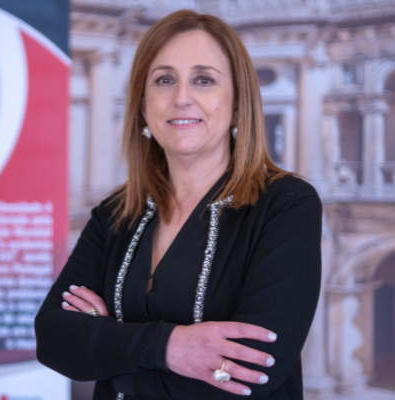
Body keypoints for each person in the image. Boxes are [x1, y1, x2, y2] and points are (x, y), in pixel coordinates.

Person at [35, 9, 321, 400]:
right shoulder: (115, 213)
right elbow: (54, 339)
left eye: (204, 80)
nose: (181, 98)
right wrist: (172, 348)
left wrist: (110, 347)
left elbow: (253, 369)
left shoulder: (286, 204)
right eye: (164, 80)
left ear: (238, 104)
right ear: (143, 106)